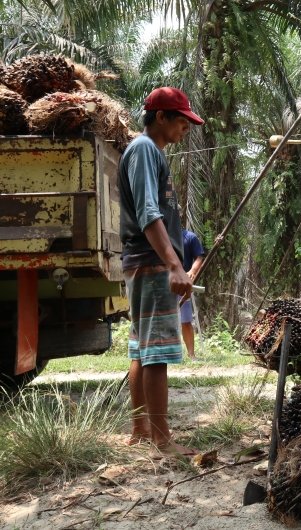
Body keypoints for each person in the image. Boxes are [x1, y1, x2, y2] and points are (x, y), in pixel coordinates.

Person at [119, 87, 204, 457]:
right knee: (156, 352)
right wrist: (174, 264)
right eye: (181, 120)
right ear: (160, 118)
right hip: (151, 262)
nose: (187, 127)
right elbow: (148, 213)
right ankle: (162, 439)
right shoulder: (143, 149)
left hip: (145, 261)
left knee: (141, 348)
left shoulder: (149, 152)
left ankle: (140, 429)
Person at [180, 228, 205, 359]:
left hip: (183, 285)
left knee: (185, 321)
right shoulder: (161, 235)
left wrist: (193, 270)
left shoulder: (189, 237)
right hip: (163, 284)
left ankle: (191, 354)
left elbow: (199, 256)